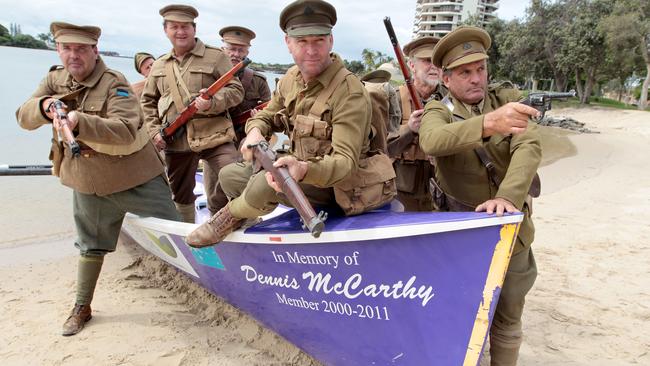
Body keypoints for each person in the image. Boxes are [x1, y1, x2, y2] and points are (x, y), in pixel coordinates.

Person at [15, 22, 180, 336]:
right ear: (58, 50)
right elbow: (22, 117)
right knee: (90, 247)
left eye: (81, 49)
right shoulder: (53, 79)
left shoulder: (114, 82)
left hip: (136, 176)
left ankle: (212, 279)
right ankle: (82, 307)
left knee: (176, 232)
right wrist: (44, 105)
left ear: (95, 50)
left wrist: (79, 122)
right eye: (67, 48)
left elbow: (126, 128)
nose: (73, 55)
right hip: (89, 180)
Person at [186, 0, 396, 247]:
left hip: (340, 187)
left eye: (318, 40)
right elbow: (266, 115)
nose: (311, 50)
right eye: (302, 41)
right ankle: (247, 215)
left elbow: (345, 163)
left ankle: (227, 218)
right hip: (298, 170)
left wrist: (303, 169)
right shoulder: (291, 79)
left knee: (265, 185)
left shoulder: (349, 92)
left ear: (330, 41)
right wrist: (255, 132)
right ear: (288, 43)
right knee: (230, 175)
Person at [418, 26, 542, 365]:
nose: (476, 79)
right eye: (465, 72)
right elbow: (432, 141)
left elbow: (529, 147)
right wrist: (489, 124)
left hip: (511, 229)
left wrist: (508, 197)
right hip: (460, 238)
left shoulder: (508, 100)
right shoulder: (437, 110)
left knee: (509, 315)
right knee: (457, 313)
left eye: (481, 69)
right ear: (445, 78)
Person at [141, 4, 244, 223]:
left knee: (237, 177)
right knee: (180, 194)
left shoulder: (215, 57)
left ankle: (246, 226)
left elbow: (236, 91)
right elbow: (148, 102)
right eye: (174, 26)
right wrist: (153, 132)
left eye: (185, 26)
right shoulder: (159, 65)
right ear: (166, 30)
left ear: (194, 28)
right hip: (175, 141)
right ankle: (187, 235)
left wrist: (212, 103)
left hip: (215, 135)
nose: (181, 31)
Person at [387, 36, 447, 212]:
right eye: (427, 61)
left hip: (442, 194)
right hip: (401, 197)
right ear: (412, 66)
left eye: (437, 61)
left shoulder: (451, 100)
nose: (433, 66)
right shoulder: (394, 99)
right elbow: (378, 148)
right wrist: (409, 129)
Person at [219, 25, 271, 142]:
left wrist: (259, 118)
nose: (236, 54)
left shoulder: (258, 81)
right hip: (212, 138)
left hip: (244, 137)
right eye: (232, 49)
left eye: (241, 50)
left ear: (247, 52)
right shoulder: (210, 76)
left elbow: (270, 114)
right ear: (222, 49)